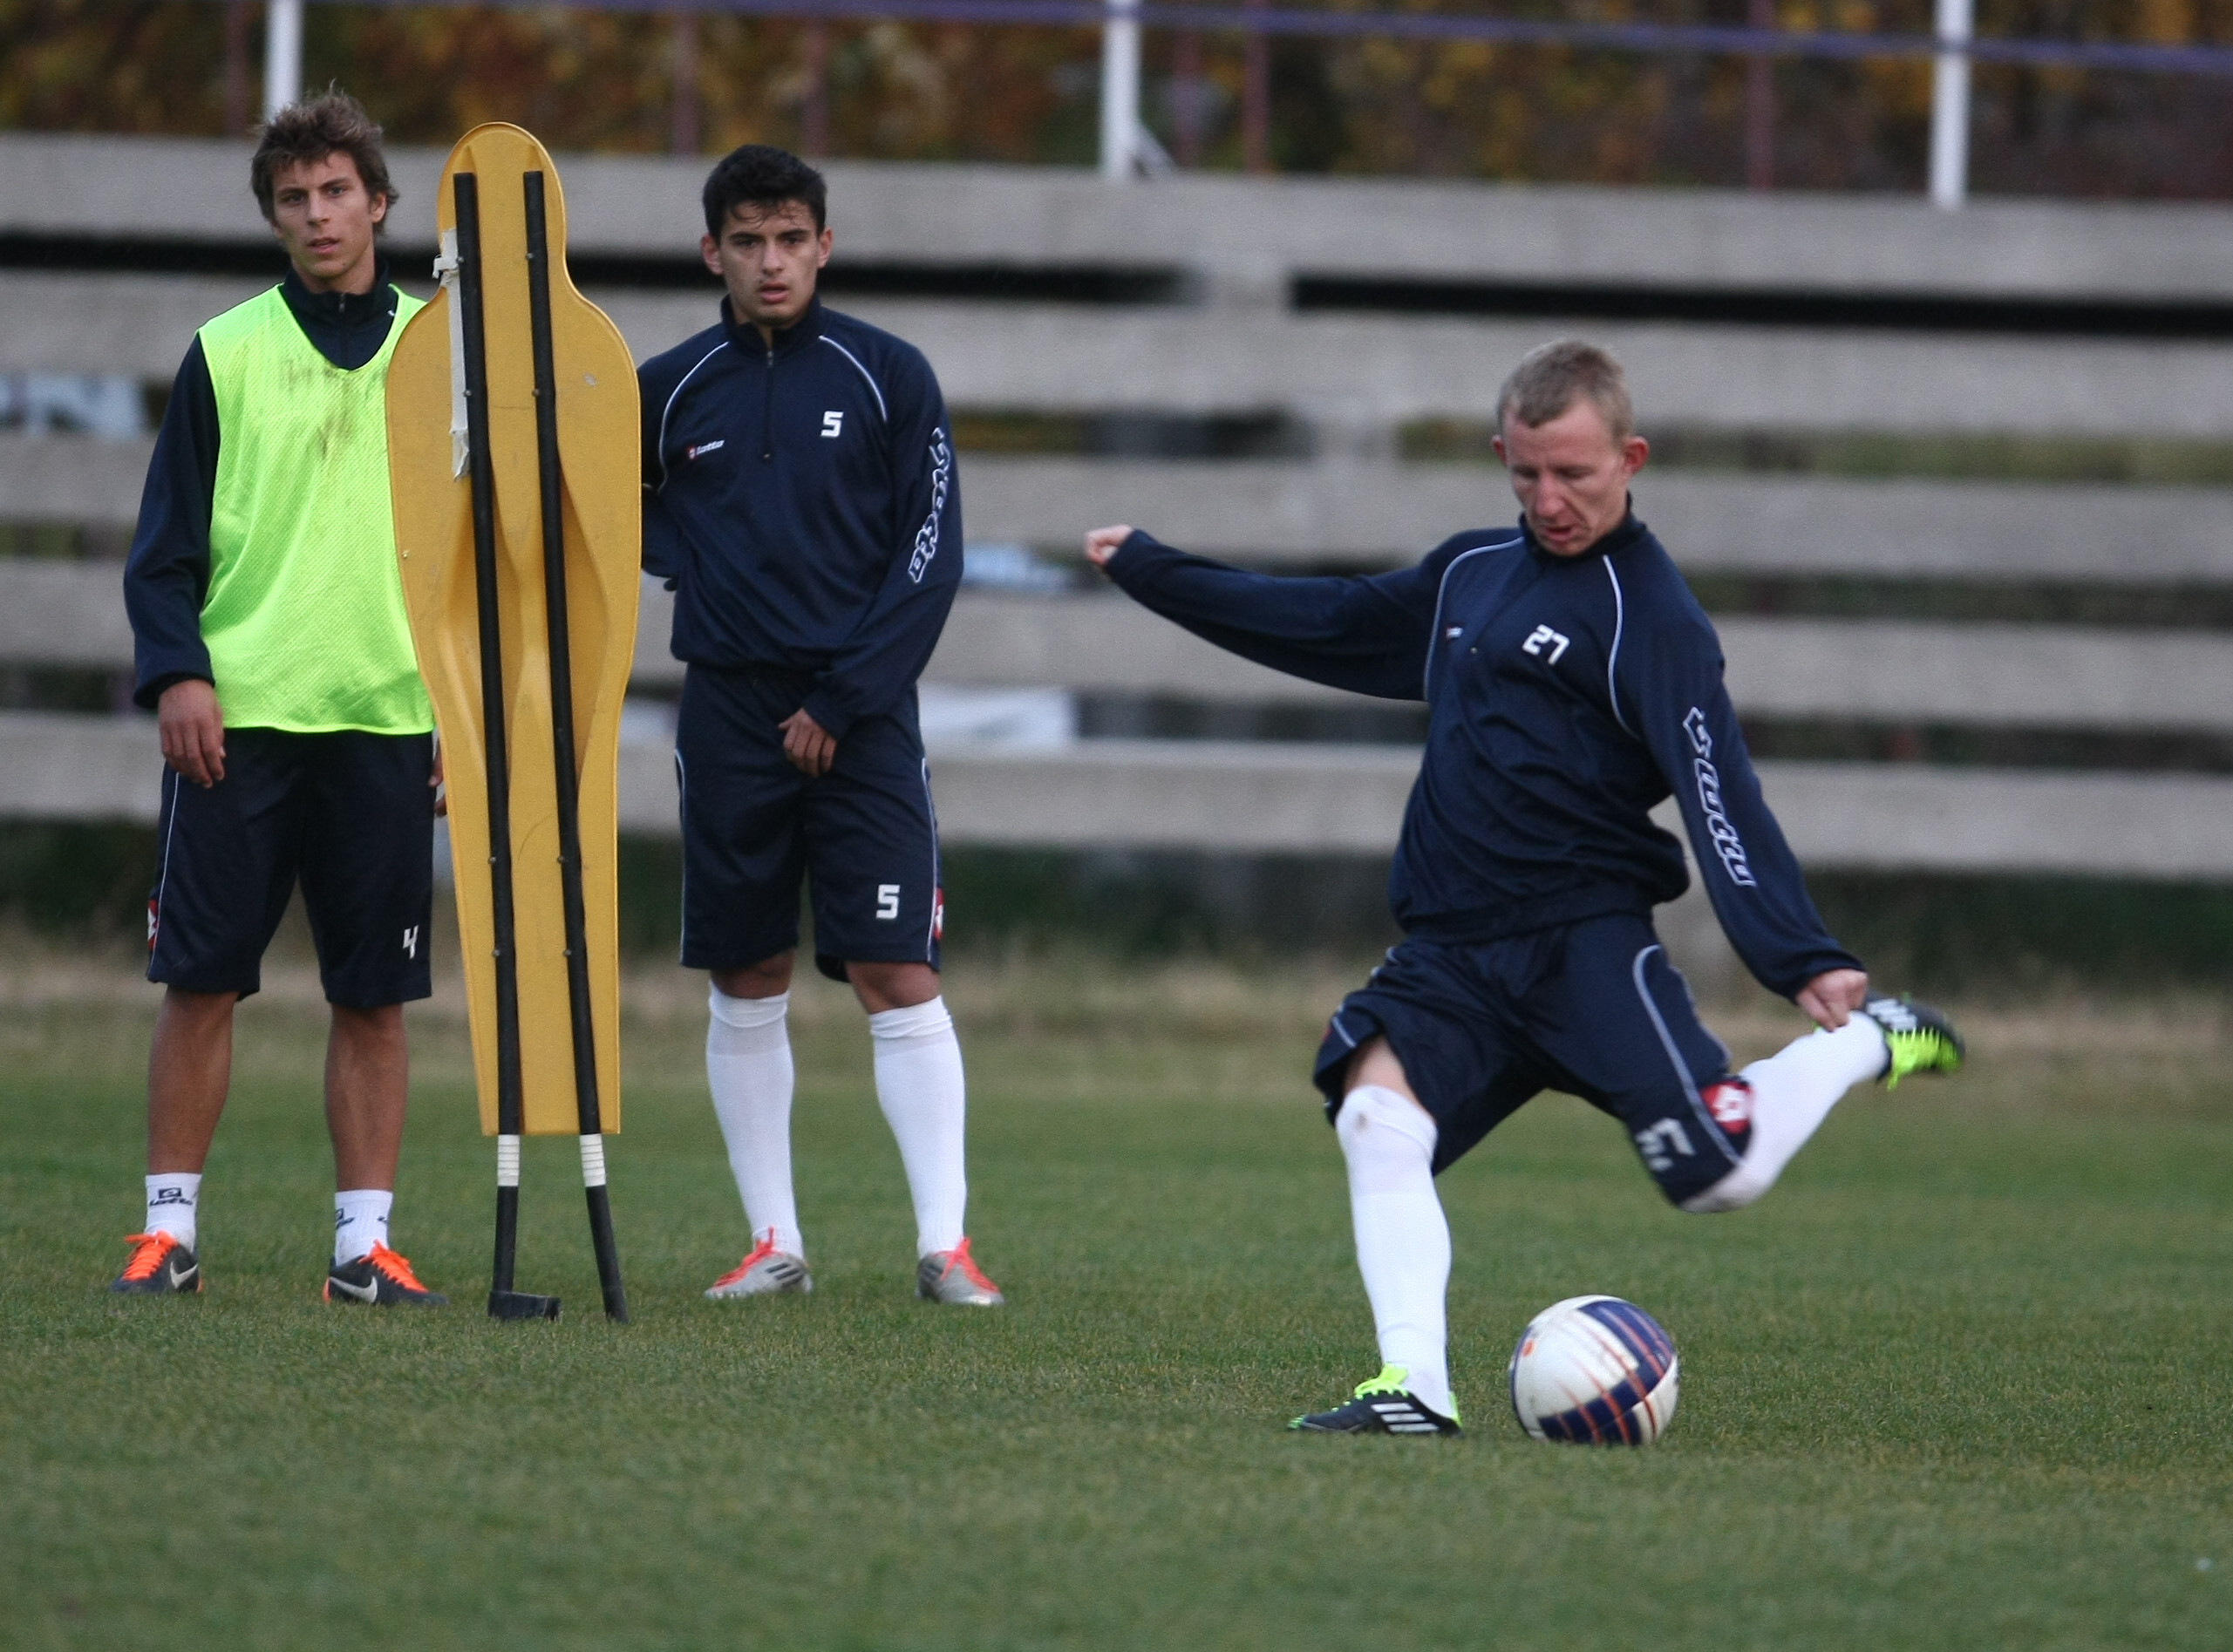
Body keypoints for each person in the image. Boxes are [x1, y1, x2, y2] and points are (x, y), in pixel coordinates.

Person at [1084, 340, 1963, 1433]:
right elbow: (1332, 623)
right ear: (1501, 453)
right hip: (1455, 950)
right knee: (1376, 1114)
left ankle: (1868, 1042)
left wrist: (1800, 954)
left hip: (1580, 945)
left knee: (1716, 1173)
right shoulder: (1472, 573)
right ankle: (1413, 1386)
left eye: (1574, 474)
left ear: (1630, 459)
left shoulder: (1652, 617)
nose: (1549, 499)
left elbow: (1718, 788)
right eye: (1526, 473)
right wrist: (1157, 571)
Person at [637, 145, 1001, 1307]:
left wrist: (844, 698)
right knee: (746, 970)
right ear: (713, 253)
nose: (771, 261)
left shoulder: (890, 374)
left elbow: (931, 554)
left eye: (791, 239)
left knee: (896, 967)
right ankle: (773, 1241)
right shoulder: (665, 388)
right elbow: (598, 511)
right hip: (727, 710)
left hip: (864, 714)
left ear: (824, 245)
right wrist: (687, 559)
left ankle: (945, 1246)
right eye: (747, 241)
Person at [112, 92, 445, 1308]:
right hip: (238, 722)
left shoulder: (442, 356)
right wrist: (179, 671)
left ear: (380, 203)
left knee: (374, 994)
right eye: (294, 198)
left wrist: (465, 714)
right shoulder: (226, 351)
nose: (317, 214)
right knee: (199, 978)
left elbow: (482, 560)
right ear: (274, 218)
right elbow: (162, 550)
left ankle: (364, 1247)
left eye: (336, 191)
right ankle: (168, 1234)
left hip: (389, 718)